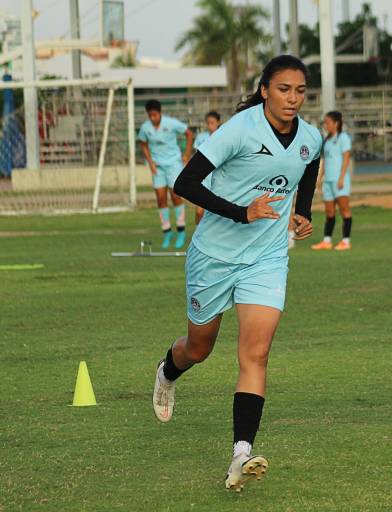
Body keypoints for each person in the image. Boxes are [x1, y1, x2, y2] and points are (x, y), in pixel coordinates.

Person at [152, 55, 322, 492]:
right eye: (284, 89)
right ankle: (168, 372)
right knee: (200, 347)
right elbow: (185, 184)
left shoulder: (310, 138)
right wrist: (241, 212)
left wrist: (301, 213)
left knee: (257, 353)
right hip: (213, 255)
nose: (293, 98)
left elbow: (308, 166)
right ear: (265, 89)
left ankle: (240, 453)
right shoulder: (240, 129)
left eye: (300, 91)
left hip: (266, 260)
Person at [137, 100, 194, 249]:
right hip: (158, 167)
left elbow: (189, 134)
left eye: (155, 115)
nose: (152, 118)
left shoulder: (171, 123)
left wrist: (186, 154)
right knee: (161, 198)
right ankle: (167, 232)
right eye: (150, 115)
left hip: (174, 164)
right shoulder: (145, 128)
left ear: (160, 113)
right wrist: (150, 162)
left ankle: (181, 231)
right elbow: (142, 143)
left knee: (176, 196)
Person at [311, 111, 353, 250]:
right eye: (324, 123)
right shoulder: (327, 140)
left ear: (336, 123)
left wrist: (341, 178)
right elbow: (325, 161)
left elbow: (346, 158)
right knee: (329, 212)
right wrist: (319, 178)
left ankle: (346, 241)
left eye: (327, 122)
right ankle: (327, 241)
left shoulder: (343, 138)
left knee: (344, 210)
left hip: (339, 181)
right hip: (328, 181)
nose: (325, 125)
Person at [192, 111, 222, 224]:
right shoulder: (201, 137)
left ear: (218, 122)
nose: (210, 125)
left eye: (212, 123)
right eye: (208, 123)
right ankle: (197, 234)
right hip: (204, 178)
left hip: (218, 178)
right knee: (199, 211)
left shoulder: (224, 136)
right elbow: (196, 156)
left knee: (215, 213)